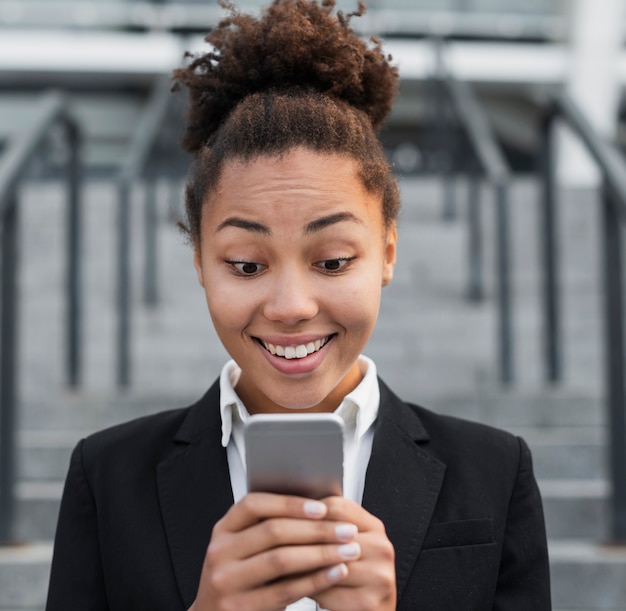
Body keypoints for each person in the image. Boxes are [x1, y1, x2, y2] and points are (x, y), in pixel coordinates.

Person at [46, 1, 551, 609]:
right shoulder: (107, 479)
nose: (290, 306)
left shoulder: (494, 473)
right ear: (200, 262)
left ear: (387, 253)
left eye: (333, 261)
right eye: (246, 265)